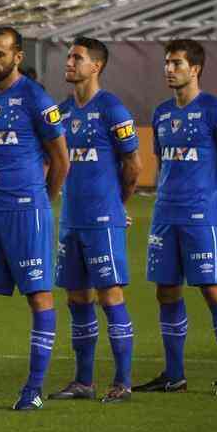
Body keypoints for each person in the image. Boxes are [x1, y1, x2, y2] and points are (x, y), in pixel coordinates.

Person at [0, 27, 69, 411]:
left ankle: (34, 388)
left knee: (39, 296)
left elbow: (60, 160)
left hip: (26, 211)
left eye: (0, 54)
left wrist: (41, 200)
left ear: (18, 57)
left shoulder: (37, 99)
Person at [137, 40, 217, 396]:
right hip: (165, 213)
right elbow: (164, 163)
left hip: (201, 214)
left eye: (177, 63)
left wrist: (215, 202)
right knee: (166, 291)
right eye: (167, 63)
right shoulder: (162, 113)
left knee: (213, 290)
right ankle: (174, 374)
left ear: (195, 69)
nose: (170, 69)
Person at [47, 39, 139, 404]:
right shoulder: (62, 112)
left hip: (102, 220)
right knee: (77, 298)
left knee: (110, 295)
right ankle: (84, 381)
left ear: (96, 66)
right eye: (69, 57)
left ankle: (123, 381)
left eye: (77, 58)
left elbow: (134, 167)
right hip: (71, 220)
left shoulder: (112, 109)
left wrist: (116, 206)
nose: (70, 62)